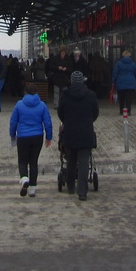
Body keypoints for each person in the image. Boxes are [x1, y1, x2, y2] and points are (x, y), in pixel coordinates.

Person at [57, 70, 99, 201]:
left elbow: (60, 113)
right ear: (82, 81)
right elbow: (95, 113)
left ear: (71, 81)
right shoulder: (91, 95)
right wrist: (88, 121)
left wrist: (67, 121)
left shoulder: (65, 95)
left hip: (70, 132)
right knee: (84, 162)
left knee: (71, 160)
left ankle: (70, 186)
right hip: (86, 132)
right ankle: (82, 192)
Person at [9, 83, 53, 197]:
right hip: (37, 136)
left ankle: (24, 179)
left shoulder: (19, 104)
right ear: (37, 92)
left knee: (22, 161)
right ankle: (32, 188)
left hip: (23, 136)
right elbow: (48, 122)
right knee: (33, 162)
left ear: (25, 92)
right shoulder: (42, 105)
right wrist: (49, 137)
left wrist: (12, 134)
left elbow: (13, 121)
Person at [111, 49, 136, 115]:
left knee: (121, 98)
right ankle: (128, 111)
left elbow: (115, 73)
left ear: (123, 56)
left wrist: (113, 81)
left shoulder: (118, 63)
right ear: (130, 56)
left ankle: (121, 111)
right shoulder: (133, 64)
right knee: (129, 98)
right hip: (131, 83)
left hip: (120, 82)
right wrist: (135, 81)